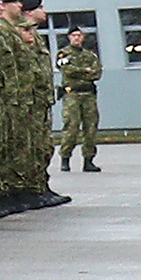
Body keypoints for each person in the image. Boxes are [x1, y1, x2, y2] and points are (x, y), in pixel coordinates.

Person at [53, 20, 105, 174]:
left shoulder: (90, 55)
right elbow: (66, 69)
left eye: (79, 35)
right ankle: (65, 158)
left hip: (88, 94)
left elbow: (97, 73)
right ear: (69, 37)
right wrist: (86, 71)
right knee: (72, 126)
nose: (76, 38)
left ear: (83, 38)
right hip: (72, 94)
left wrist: (84, 71)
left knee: (90, 127)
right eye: (73, 35)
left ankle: (88, 160)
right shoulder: (64, 53)